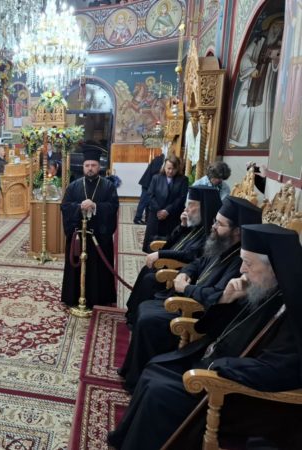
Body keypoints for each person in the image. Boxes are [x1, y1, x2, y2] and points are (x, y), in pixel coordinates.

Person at [109, 223, 302, 450]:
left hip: (243, 396)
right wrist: (227, 300)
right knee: (155, 369)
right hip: (220, 366)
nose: (242, 270)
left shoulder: (293, 310)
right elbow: (215, 330)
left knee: (159, 393)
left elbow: (280, 371)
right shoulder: (264, 289)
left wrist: (219, 367)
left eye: (248, 264)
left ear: (275, 267)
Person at [120, 196, 263, 392]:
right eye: (214, 221)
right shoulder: (221, 243)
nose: (213, 227)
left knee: (148, 319)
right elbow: (197, 262)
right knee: (146, 309)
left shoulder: (241, 262)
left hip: (200, 314)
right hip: (189, 298)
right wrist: (185, 274)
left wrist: (186, 289)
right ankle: (132, 374)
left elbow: (218, 296)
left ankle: (135, 381)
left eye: (219, 224)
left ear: (237, 231)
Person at [125, 186, 221, 325]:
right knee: (148, 271)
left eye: (191, 205)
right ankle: (132, 314)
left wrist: (160, 254)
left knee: (150, 278)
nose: (186, 209)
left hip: (183, 274)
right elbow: (170, 244)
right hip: (175, 266)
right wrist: (182, 226)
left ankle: (135, 319)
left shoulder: (210, 234)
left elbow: (190, 255)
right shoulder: (196, 224)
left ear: (204, 208)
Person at [60, 145, 119, 308]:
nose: (90, 168)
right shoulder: (74, 186)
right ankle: (73, 297)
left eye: (93, 165)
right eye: (87, 165)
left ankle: (99, 298)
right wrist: (79, 207)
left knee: (99, 269)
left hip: (99, 237)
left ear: (99, 167)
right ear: (83, 167)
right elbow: (65, 207)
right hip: (78, 235)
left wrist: (95, 206)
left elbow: (113, 207)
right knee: (77, 266)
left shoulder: (108, 186)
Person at [229, 18, 284, 148]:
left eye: (280, 27)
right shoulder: (259, 40)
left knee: (261, 108)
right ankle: (237, 139)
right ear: (270, 26)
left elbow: (280, 64)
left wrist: (275, 60)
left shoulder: (280, 43)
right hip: (251, 78)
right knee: (243, 104)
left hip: (266, 79)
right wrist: (252, 69)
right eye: (275, 25)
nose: (276, 29)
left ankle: (257, 138)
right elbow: (245, 57)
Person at [142, 154, 188, 253]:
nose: (170, 171)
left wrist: (167, 211)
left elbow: (181, 198)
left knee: (168, 246)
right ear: (164, 167)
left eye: (173, 169)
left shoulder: (183, 180)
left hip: (172, 216)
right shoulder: (156, 178)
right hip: (156, 216)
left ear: (178, 168)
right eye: (168, 168)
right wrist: (159, 210)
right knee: (152, 246)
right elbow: (150, 195)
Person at [134, 151, 165, 224]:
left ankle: (147, 219)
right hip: (147, 184)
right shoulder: (159, 160)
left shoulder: (159, 159)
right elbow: (155, 172)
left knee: (148, 203)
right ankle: (137, 218)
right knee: (143, 202)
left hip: (148, 183)